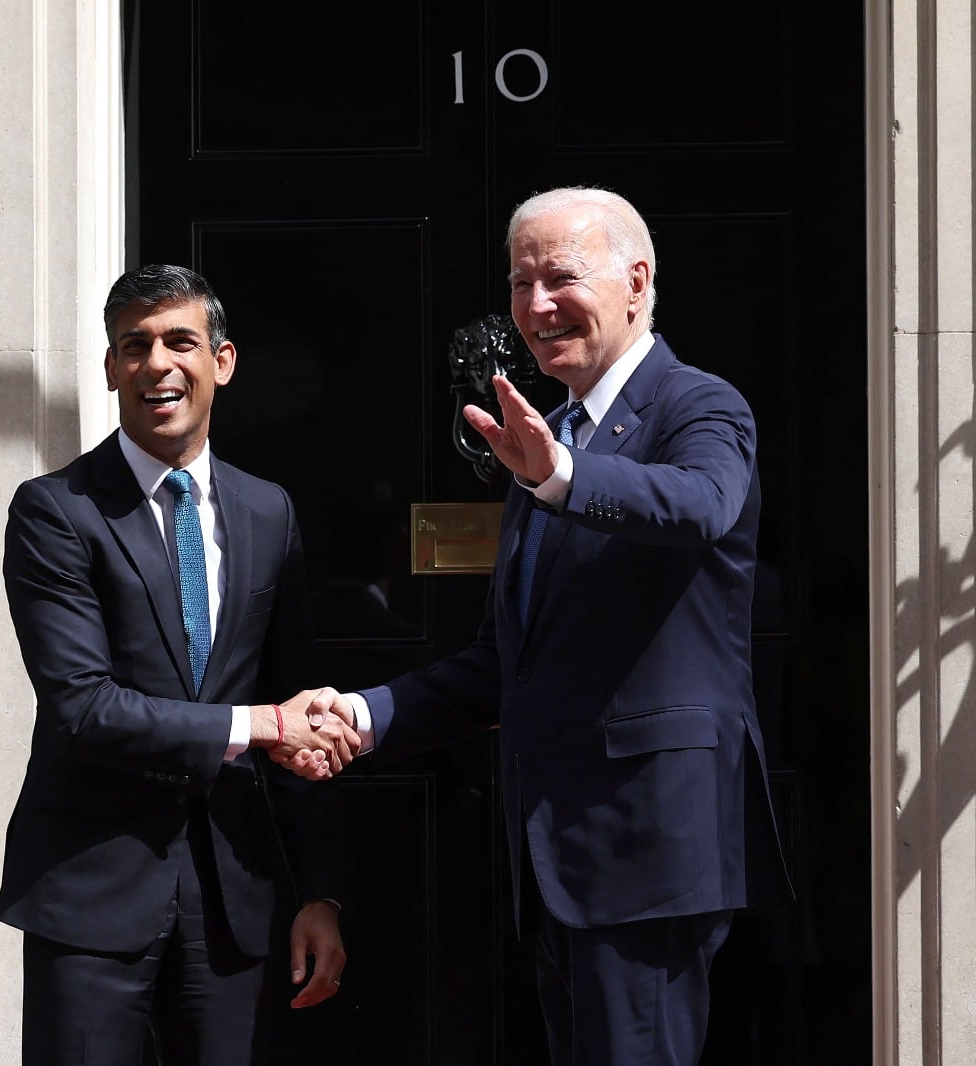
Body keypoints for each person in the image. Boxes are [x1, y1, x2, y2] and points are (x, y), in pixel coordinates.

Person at [333, 186, 793, 1065]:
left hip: (649, 848)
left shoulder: (696, 406)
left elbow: (701, 505)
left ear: (636, 281)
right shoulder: (549, 444)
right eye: (519, 282)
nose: (536, 306)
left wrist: (564, 478)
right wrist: (364, 715)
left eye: (560, 278)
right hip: (561, 857)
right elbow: (508, 663)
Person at [0, 264, 359, 1064]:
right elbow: (82, 707)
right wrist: (262, 726)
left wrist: (319, 893)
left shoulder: (269, 510)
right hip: (90, 889)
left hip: (235, 892)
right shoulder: (56, 510)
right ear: (110, 368)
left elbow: (297, 702)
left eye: (179, 341)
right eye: (135, 345)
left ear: (221, 362)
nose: (157, 364)